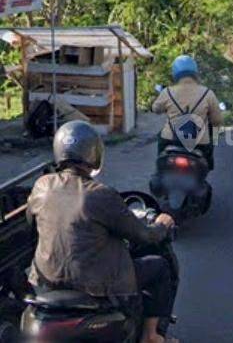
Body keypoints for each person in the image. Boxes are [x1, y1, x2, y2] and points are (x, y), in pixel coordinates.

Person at [26, 121, 178, 343]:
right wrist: (162, 225)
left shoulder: (42, 186)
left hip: (45, 281)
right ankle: (151, 336)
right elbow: (144, 235)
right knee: (160, 267)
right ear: (94, 154)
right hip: (97, 285)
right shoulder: (101, 194)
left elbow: (31, 222)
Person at [152, 55, 223, 171]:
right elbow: (217, 121)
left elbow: (155, 109)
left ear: (175, 73)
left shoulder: (167, 92)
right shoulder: (207, 93)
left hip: (170, 138)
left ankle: (160, 170)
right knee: (210, 142)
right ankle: (208, 166)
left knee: (161, 141)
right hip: (199, 141)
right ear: (195, 72)